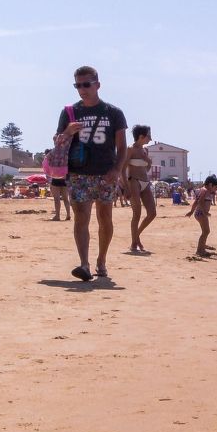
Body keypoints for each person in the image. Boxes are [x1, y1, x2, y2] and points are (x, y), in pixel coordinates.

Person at [53, 65, 127, 282]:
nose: (82, 89)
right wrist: (68, 131)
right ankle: (84, 263)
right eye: (78, 85)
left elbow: (122, 147)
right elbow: (58, 142)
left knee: (105, 219)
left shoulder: (113, 113)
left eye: (87, 84)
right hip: (79, 173)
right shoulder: (70, 112)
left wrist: (117, 170)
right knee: (81, 218)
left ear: (97, 85)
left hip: (106, 173)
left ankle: (101, 260)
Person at [123, 124, 158, 254]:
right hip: (133, 181)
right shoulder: (130, 149)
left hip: (145, 181)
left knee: (152, 213)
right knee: (136, 214)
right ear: (141, 136)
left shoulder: (145, 150)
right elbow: (122, 169)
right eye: (148, 136)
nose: (150, 139)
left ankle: (136, 236)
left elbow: (147, 169)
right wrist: (125, 186)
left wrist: (147, 161)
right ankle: (134, 243)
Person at [191, 175, 217, 258]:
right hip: (201, 213)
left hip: (200, 213)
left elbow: (197, 202)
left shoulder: (205, 191)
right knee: (206, 231)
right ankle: (200, 250)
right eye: (215, 187)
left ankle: (202, 248)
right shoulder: (204, 190)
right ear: (210, 184)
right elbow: (199, 201)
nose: (215, 189)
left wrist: (191, 211)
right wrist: (204, 212)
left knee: (205, 231)